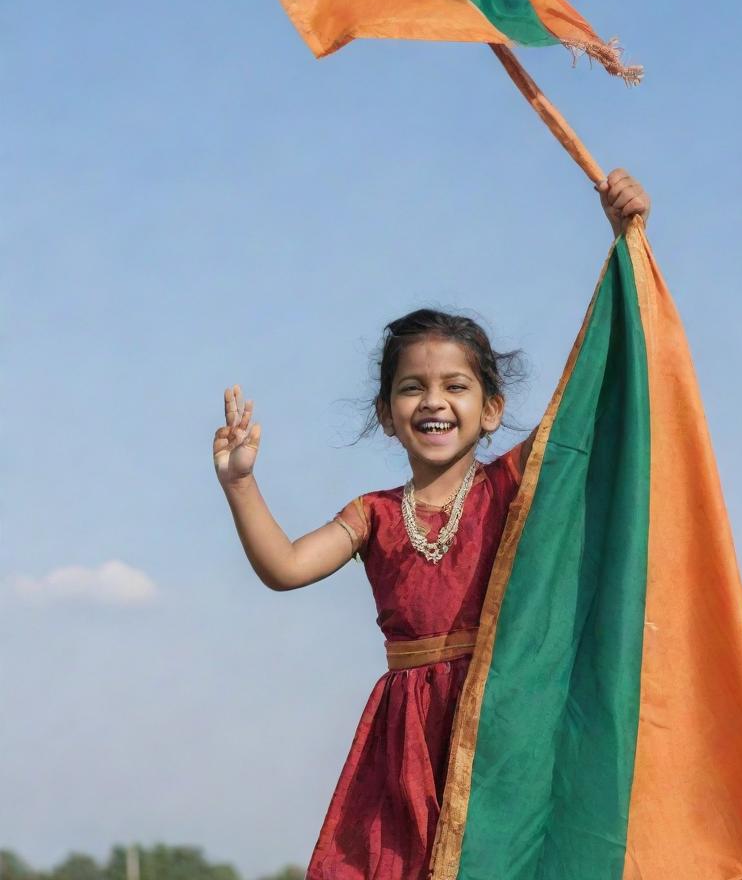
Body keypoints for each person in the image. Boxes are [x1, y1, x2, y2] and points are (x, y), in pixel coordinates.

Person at [212, 170, 652, 880]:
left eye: (455, 386)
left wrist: (624, 240)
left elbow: (600, 404)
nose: (433, 401)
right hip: (406, 745)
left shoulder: (517, 487)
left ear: (491, 409)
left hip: (505, 724)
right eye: (412, 387)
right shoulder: (375, 515)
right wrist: (240, 484)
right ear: (387, 413)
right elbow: (286, 567)